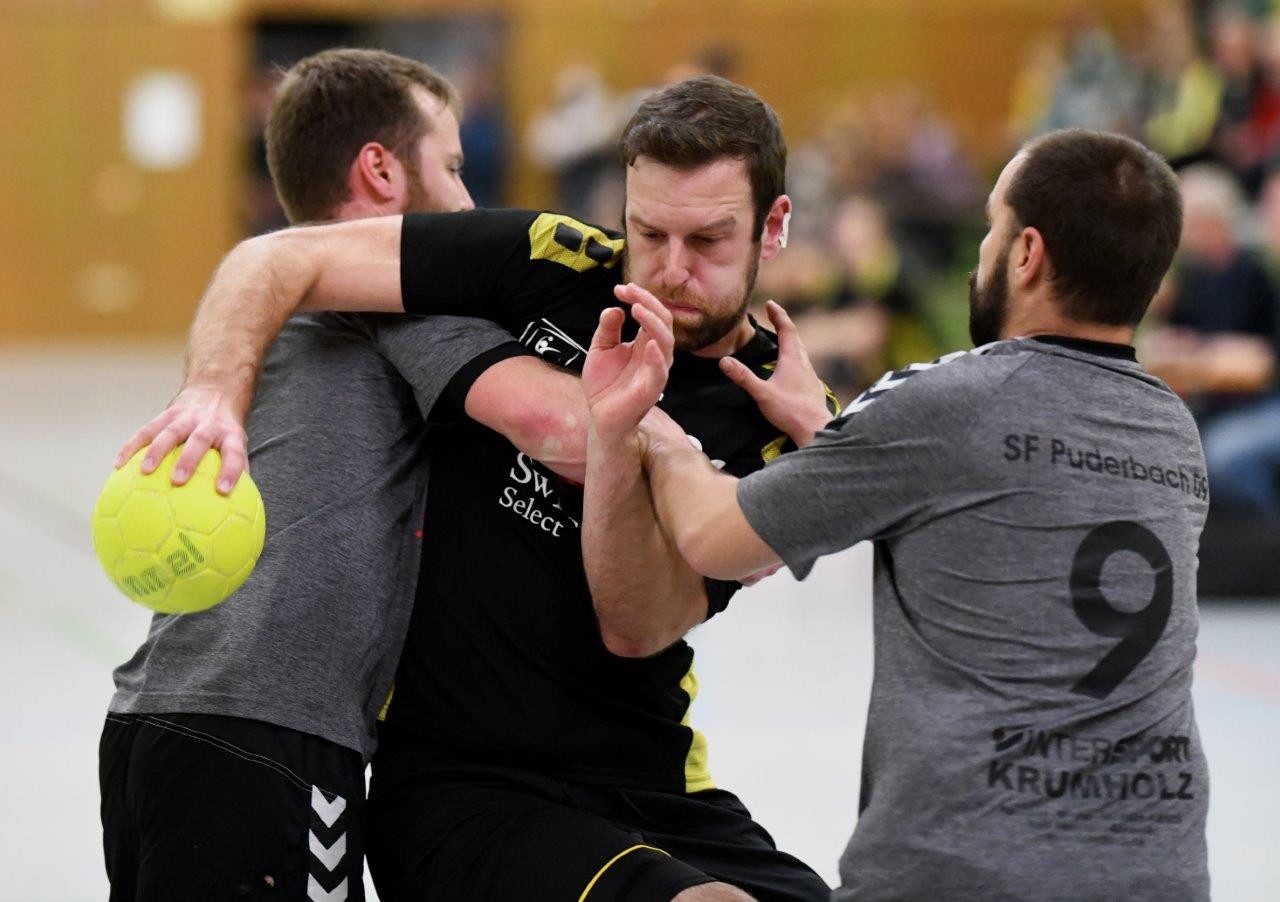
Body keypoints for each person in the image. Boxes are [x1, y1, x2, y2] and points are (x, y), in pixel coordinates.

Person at [117, 76, 831, 900]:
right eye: (648, 232)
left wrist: (633, 438)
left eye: (708, 240)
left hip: (659, 786)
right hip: (465, 789)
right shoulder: (553, 259)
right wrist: (211, 390)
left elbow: (637, 624)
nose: (670, 270)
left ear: (773, 227)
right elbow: (276, 256)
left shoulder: (792, 423)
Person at [582, 128, 1210, 900]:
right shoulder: (1173, 434)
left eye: (993, 227)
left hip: (962, 877)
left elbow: (714, 538)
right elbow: (996, 508)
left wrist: (649, 424)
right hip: (1161, 876)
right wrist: (833, 436)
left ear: (1027, 255)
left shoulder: (948, 399)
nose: (984, 251)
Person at [100, 49, 598, 901]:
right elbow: (564, 429)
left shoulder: (282, 308)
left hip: (154, 720)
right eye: (452, 167)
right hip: (272, 738)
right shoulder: (399, 297)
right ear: (379, 170)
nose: (470, 201)